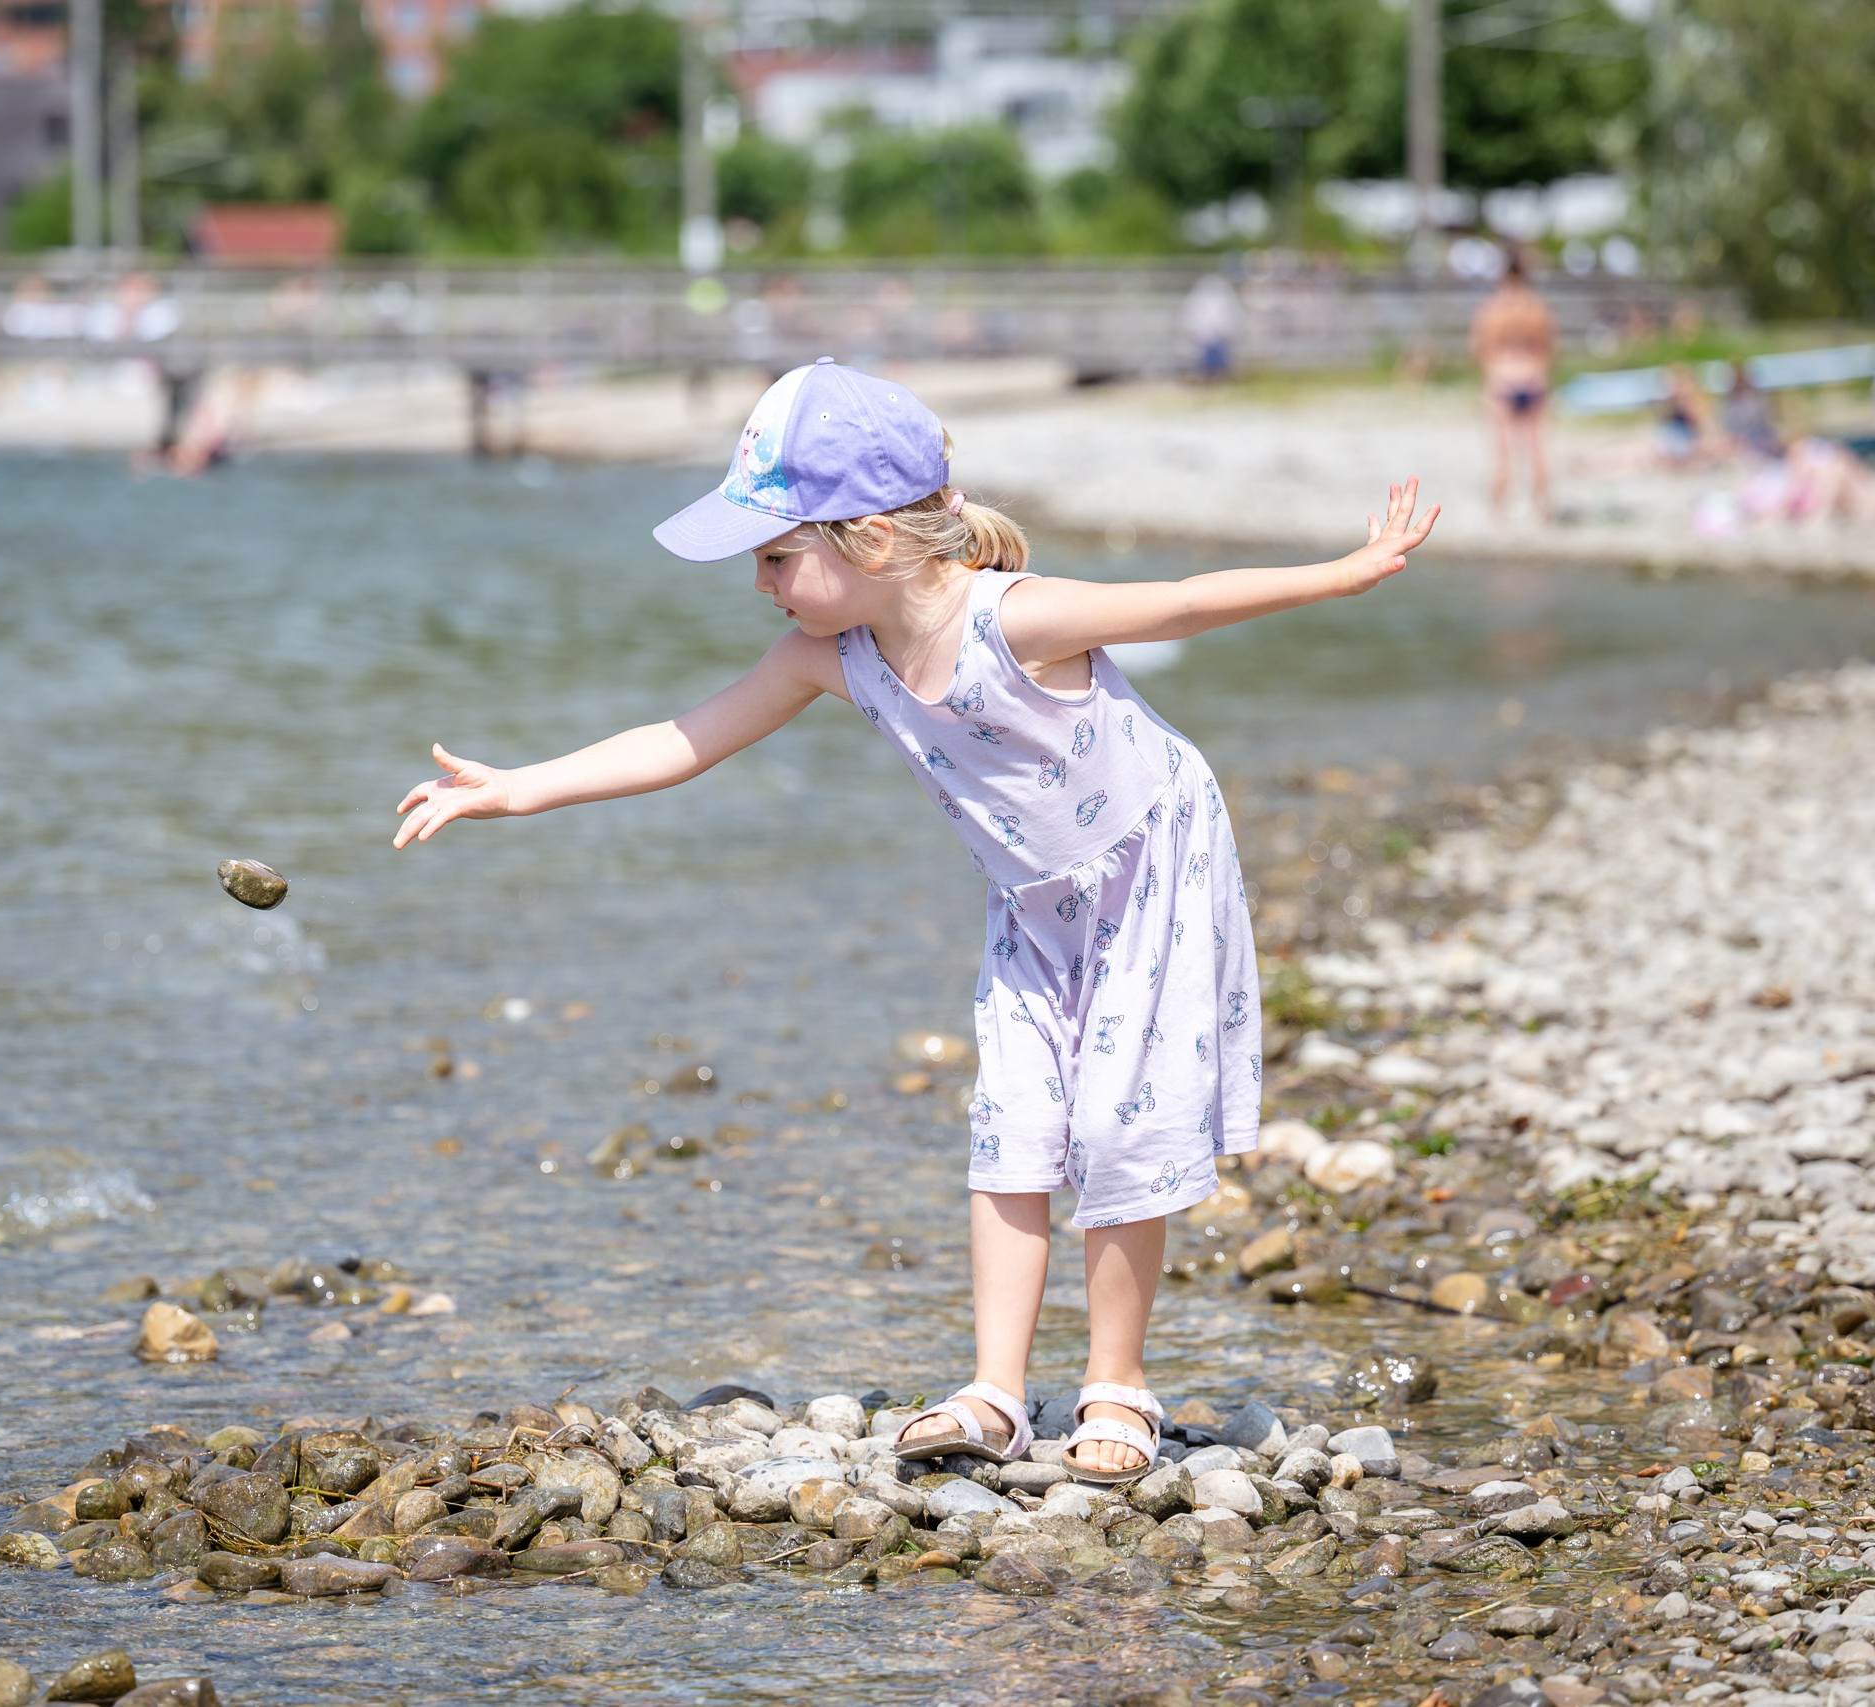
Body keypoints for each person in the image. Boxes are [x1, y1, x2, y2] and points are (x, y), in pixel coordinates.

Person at [391, 359, 1439, 1483]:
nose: (760, 583)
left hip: (1151, 875)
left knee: (1118, 1122)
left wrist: (1343, 575)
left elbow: (1181, 601)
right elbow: (683, 739)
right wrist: (522, 787)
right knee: (1012, 1123)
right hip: (1032, 900)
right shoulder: (829, 657)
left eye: (776, 556)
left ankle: (1117, 1384)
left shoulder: (1017, 620)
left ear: (873, 541)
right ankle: (995, 1391)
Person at [1468, 246, 1557, 519]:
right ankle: (1542, 509)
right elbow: (1548, 348)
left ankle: (1499, 515)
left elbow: (1481, 348)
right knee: (1536, 450)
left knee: (1503, 453)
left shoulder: (1493, 308)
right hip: (1532, 377)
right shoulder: (1536, 308)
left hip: (1503, 378)